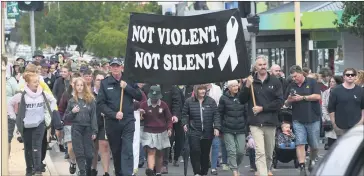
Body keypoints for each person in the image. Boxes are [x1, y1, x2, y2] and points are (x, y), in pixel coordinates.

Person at [96, 58, 143, 176]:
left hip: (128, 120)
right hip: (112, 122)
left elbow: (139, 96)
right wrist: (113, 114)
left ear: (122, 67)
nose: (115, 68)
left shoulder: (129, 79)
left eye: (117, 66)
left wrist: (127, 87)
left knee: (127, 148)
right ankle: (119, 173)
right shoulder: (105, 83)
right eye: (113, 66)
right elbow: (100, 104)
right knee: (116, 151)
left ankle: (127, 173)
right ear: (110, 68)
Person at [239, 56, 283, 176]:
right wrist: (247, 86)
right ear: (255, 67)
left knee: (269, 153)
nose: (263, 67)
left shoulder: (275, 81)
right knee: (260, 152)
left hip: (271, 121)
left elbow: (279, 102)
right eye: (260, 65)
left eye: (264, 64)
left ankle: (265, 170)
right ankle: (263, 173)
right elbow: (241, 100)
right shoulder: (251, 81)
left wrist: (262, 108)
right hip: (255, 122)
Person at [8, 72, 57, 176]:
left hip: (39, 125)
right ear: (28, 83)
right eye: (34, 82)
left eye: (38, 82)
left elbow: (53, 100)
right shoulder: (21, 94)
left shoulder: (42, 93)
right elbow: (10, 103)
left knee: (37, 146)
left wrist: (48, 113)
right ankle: (29, 170)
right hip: (26, 126)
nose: (37, 84)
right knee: (28, 148)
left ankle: (38, 169)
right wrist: (13, 116)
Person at [284, 65, 321, 175]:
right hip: (298, 119)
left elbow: (318, 96)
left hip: (313, 118)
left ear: (301, 73)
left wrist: (303, 97)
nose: (294, 79)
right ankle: (302, 166)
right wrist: (290, 100)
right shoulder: (291, 85)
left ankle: (312, 159)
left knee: (314, 145)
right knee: (300, 142)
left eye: (296, 76)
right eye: (292, 77)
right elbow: (285, 103)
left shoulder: (312, 82)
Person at [182, 84, 221, 176]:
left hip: (208, 131)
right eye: (200, 89)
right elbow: (184, 114)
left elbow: (216, 115)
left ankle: (203, 172)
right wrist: (184, 124)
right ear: (196, 90)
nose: (203, 91)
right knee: (195, 151)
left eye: (204, 89)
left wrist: (217, 127)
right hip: (194, 130)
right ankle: (197, 172)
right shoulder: (189, 101)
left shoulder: (211, 101)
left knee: (205, 153)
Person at [64, 77, 98, 176]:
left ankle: (87, 170)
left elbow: (93, 116)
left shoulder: (91, 100)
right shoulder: (72, 101)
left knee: (89, 154)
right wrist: (72, 112)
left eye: (81, 85)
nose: (79, 87)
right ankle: (82, 172)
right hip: (76, 128)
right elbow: (67, 117)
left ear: (85, 86)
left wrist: (94, 131)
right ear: (75, 87)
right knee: (79, 152)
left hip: (87, 128)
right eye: (77, 85)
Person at [139, 85, 174, 176]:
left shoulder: (163, 105)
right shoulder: (144, 105)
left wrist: (169, 128)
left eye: (156, 97)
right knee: (151, 151)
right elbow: (139, 118)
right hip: (148, 130)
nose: (154, 99)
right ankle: (150, 170)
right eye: (152, 97)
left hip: (161, 131)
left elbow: (169, 118)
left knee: (159, 153)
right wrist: (141, 115)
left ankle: (158, 172)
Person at [218, 80, 247, 176]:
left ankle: (235, 166)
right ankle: (234, 171)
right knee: (231, 150)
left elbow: (246, 113)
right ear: (229, 88)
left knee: (241, 152)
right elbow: (219, 113)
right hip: (228, 129)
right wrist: (219, 127)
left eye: (236, 85)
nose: (235, 88)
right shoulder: (223, 98)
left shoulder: (242, 97)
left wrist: (247, 126)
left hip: (241, 128)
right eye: (233, 86)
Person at [328, 68, 364, 137]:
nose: (350, 76)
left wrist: (361, 122)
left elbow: (363, 108)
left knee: (355, 147)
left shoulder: (361, 91)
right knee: (342, 147)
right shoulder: (336, 90)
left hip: (356, 126)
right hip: (340, 127)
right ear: (344, 77)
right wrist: (334, 125)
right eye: (348, 75)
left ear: (355, 77)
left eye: (352, 75)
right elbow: (331, 109)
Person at [58, 73, 82, 174]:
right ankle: (72, 161)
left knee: (81, 148)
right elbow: (61, 110)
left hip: (82, 125)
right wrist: (60, 121)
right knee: (71, 148)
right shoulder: (66, 95)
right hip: (69, 124)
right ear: (72, 84)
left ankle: (82, 169)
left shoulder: (85, 95)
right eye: (74, 82)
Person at [91, 71, 110, 176]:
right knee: (93, 148)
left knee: (104, 146)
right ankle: (93, 169)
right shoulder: (89, 94)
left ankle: (106, 172)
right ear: (94, 81)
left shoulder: (108, 93)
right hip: (92, 124)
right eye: (98, 79)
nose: (101, 82)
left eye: (103, 80)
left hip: (104, 123)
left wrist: (106, 112)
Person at [321, 76, 343, 150]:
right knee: (331, 141)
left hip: (340, 119)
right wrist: (327, 117)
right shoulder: (326, 93)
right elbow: (323, 106)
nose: (331, 83)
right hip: (329, 119)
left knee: (340, 141)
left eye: (333, 82)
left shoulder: (342, 92)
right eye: (330, 81)